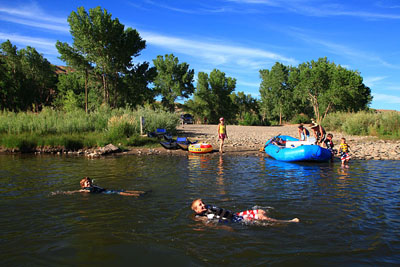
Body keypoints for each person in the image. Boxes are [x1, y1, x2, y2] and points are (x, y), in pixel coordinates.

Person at [191, 199, 299, 224]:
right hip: (236, 221)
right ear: (197, 210)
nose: (203, 205)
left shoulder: (208, 207)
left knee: (260, 211)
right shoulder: (203, 217)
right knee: (262, 218)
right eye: (200, 205)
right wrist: (227, 228)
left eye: (202, 203)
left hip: (236, 215)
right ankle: (286, 222)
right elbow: (213, 223)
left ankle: (271, 222)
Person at [52, 177, 147, 196]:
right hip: (106, 193)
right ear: (83, 185)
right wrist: (61, 192)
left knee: (123, 190)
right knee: (120, 193)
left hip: (107, 190)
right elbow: (74, 192)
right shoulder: (84, 190)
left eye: (89, 182)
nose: (89, 184)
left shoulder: (93, 185)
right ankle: (136, 196)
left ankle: (141, 192)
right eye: (87, 183)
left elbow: (96, 185)